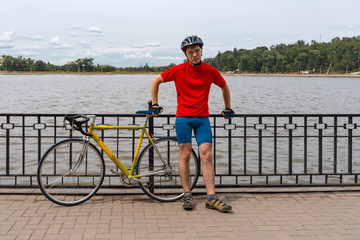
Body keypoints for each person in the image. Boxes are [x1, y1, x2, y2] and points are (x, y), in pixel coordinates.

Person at [150, 35, 235, 213]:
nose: (195, 54)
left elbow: (224, 86)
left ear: (201, 51)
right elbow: (155, 81)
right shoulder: (178, 70)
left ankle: (211, 197)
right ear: (185, 54)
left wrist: (227, 108)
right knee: (185, 154)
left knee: (207, 155)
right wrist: (155, 104)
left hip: (202, 119)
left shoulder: (210, 70)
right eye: (191, 52)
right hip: (183, 119)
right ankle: (187, 193)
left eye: (197, 51)